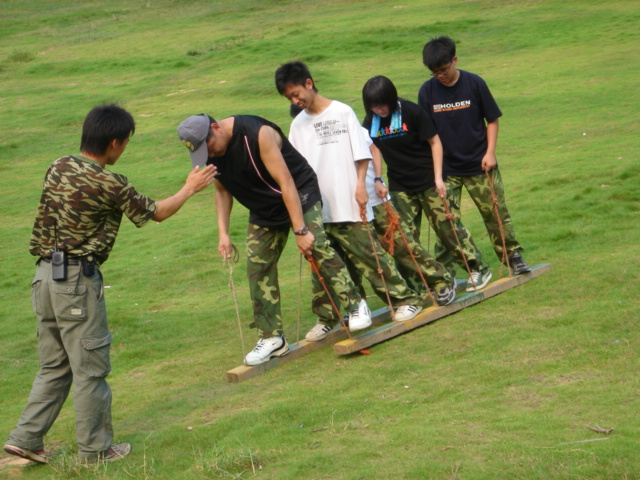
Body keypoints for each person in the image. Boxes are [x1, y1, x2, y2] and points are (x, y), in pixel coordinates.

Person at [4, 104, 216, 465]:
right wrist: (190, 188)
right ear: (115, 142)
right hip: (75, 282)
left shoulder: (58, 165)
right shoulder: (110, 182)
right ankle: (96, 450)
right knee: (90, 368)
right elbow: (157, 212)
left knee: (54, 365)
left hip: (43, 277)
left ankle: (26, 439)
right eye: (126, 142)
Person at [177, 113, 372, 360]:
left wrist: (300, 230)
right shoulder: (212, 154)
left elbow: (286, 181)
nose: (210, 155)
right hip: (263, 208)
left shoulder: (258, 133)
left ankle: (356, 305)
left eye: (209, 147)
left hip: (298, 192)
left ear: (216, 128)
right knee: (257, 266)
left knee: (317, 246)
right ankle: (272, 337)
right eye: (203, 153)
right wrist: (223, 233)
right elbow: (222, 190)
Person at [275, 61, 425, 324]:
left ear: (309, 83)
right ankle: (336, 317)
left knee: (371, 257)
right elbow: (297, 168)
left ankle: (406, 300)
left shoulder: (342, 112)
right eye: (290, 98)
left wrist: (360, 187)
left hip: (350, 201)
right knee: (329, 266)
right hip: (320, 207)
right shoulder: (297, 125)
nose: (295, 100)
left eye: (296, 93)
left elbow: (362, 151)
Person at [362, 75, 491, 292]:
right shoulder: (371, 121)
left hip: (429, 180)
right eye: (373, 105)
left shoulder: (411, 112)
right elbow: (372, 150)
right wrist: (378, 178)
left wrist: (439, 178)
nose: (379, 109)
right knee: (405, 237)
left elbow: (435, 142)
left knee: (447, 228)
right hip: (400, 186)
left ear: (391, 99)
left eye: (382, 104)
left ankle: (477, 268)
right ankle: (420, 284)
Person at [418, 36, 531, 276]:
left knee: (496, 214)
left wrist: (490, 153)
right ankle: (445, 272)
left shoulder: (474, 83)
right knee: (446, 221)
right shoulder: (426, 92)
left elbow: (492, 119)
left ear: (454, 60)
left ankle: (512, 257)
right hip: (447, 170)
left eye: (444, 69)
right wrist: (435, 173)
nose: (441, 75)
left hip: (481, 165)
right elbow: (428, 135)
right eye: (434, 72)